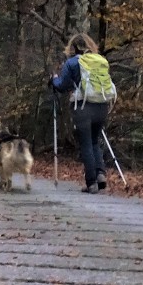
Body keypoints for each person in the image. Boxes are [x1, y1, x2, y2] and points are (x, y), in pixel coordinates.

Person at [50, 33, 117, 193]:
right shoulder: (99, 60)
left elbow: (62, 85)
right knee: (95, 140)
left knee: (86, 143)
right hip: (101, 106)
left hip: (82, 106)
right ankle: (100, 173)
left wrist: (53, 79)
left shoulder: (72, 63)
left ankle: (91, 183)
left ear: (73, 47)